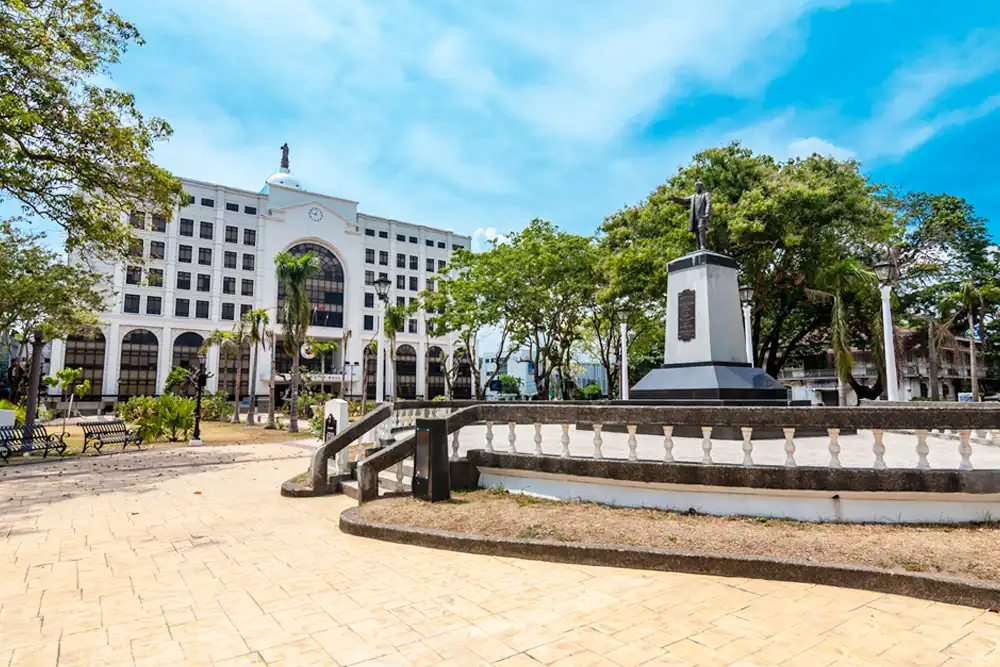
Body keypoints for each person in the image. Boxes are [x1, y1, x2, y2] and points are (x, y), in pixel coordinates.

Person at [669, 180, 713, 250]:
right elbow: (684, 200)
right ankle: (698, 247)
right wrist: (675, 198)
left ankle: (703, 246)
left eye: (698, 186)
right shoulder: (693, 196)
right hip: (694, 216)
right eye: (696, 186)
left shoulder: (706, 194)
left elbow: (709, 203)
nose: (697, 188)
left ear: (701, 187)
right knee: (696, 231)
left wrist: (707, 213)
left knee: (701, 228)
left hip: (702, 215)